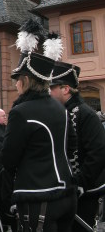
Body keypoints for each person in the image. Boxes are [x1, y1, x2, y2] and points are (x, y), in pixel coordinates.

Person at [1, 20, 77, 232]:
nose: (15, 83)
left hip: (38, 195)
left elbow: (8, 158)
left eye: (17, 79)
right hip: (66, 191)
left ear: (25, 81)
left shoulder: (20, 112)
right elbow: (71, 145)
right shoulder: (61, 108)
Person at [50, 61, 105, 232]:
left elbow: (98, 152)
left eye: (53, 88)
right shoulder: (63, 113)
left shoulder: (85, 114)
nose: (49, 92)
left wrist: (80, 181)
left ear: (65, 89)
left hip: (85, 191)